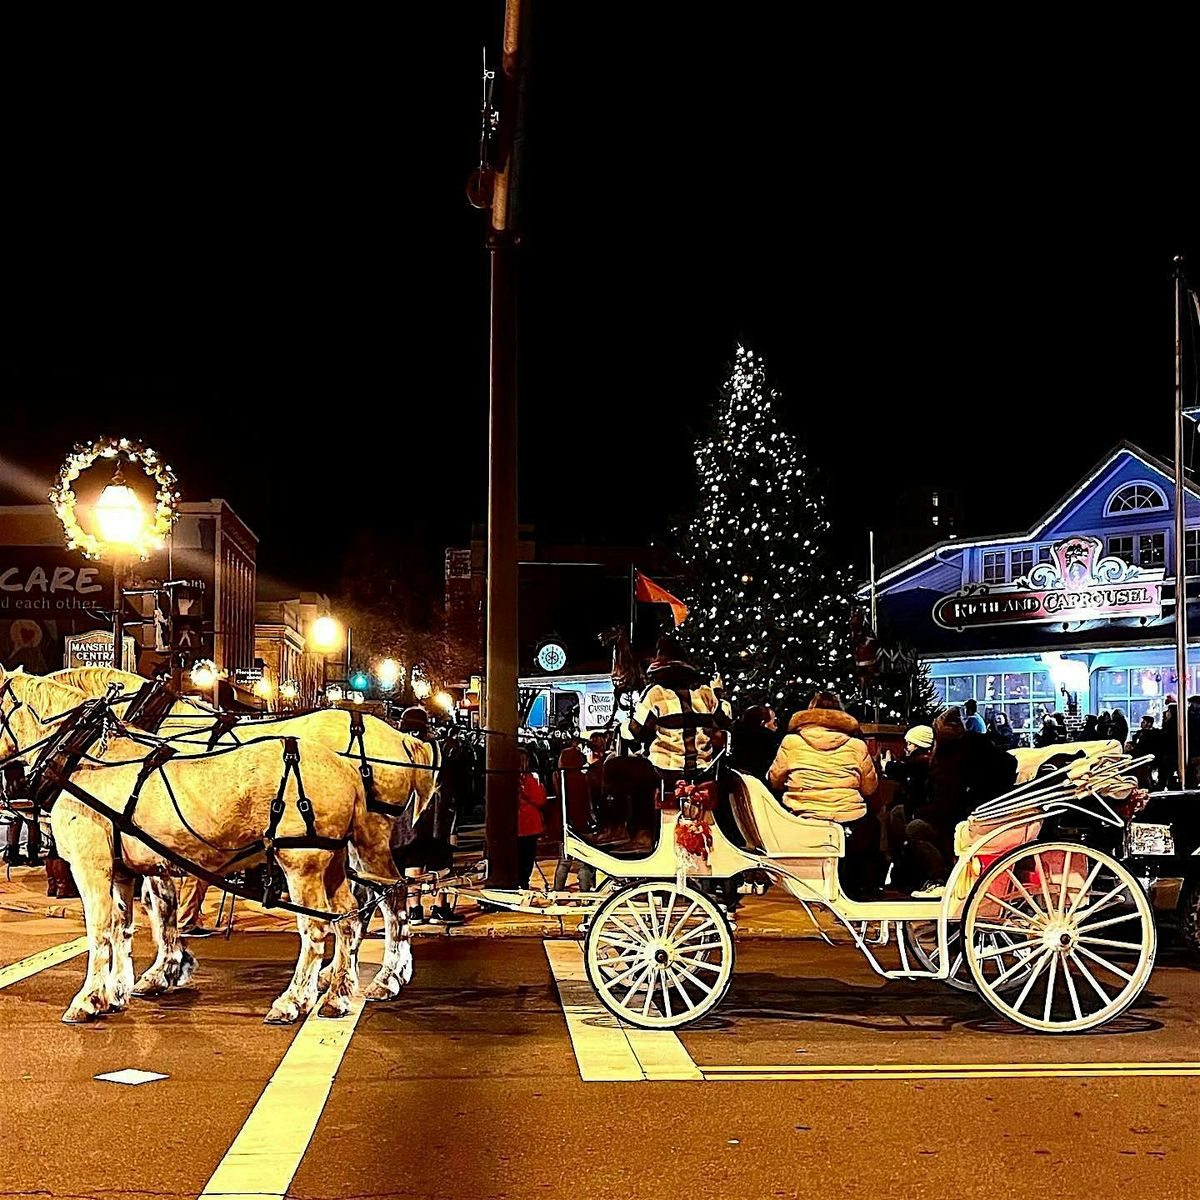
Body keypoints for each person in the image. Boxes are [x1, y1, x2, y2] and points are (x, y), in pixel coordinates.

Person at [767, 691, 881, 897]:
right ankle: (864, 889)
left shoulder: (791, 742)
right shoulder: (856, 745)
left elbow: (774, 780)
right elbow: (869, 788)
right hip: (850, 818)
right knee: (873, 825)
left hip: (803, 815)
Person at [903, 706, 1017, 896]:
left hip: (972, 818)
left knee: (915, 828)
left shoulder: (950, 759)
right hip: (977, 811)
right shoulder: (976, 747)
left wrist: (921, 812)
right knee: (910, 820)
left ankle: (940, 879)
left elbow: (947, 803)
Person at [393, 706, 463, 927]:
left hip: (406, 821)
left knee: (412, 864)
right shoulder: (437, 750)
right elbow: (448, 788)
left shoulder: (398, 749)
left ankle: (414, 910)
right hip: (435, 820)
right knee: (441, 865)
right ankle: (440, 907)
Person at [883, 725, 933, 883]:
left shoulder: (920, 763)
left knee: (895, 815)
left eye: (909, 744)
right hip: (919, 810)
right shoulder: (926, 761)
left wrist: (887, 765)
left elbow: (904, 769)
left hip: (919, 811)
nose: (906, 748)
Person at [553, 737, 597, 893]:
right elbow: (587, 803)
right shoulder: (581, 779)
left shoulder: (558, 777)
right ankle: (585, 893)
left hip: (564, 823)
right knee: (585, 861)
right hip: (582, 824)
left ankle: (557, 891)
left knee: (564, 861)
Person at [517, 747, 548, 887]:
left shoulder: (506, 778)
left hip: (513, 825)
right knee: (527, 857)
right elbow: (540, 799)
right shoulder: (528, 778)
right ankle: (523, 883)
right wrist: (540, 785)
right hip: (529, 824)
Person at [730, 704, 781, 783]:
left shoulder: (734, 740)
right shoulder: (770, 744)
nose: (776, 727)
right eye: (774, 722)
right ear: (763, 724)